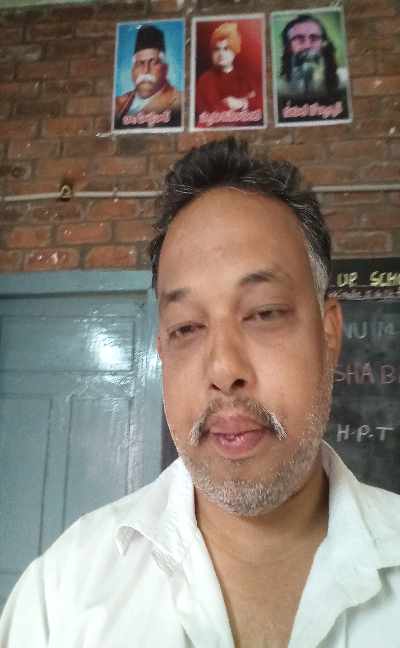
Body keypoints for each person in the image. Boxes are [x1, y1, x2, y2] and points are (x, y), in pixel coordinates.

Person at [1, 137, 400, 647]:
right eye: (187, 327)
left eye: (263, 313)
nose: (224, 369)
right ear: (162, 350)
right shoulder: (61, 598)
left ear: (328, 333)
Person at [114, 24, 183, 130]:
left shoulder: (179, 102)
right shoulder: (118, 103)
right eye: (140, 63)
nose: (146, 70)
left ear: (165, 68)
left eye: (153, 62)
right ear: (132, 70)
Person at [195, 22, 263, 128]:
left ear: (234, 50)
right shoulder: (205, 80)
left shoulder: (246, 78)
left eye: (226, 49)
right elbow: (206, 112)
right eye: (216, 49)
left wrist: (242, 103)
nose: (221, 54)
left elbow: (261, 103)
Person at [279, 13, 347, 99]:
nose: (307, 46)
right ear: (288, 47)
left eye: (314, 38)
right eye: (299, 39)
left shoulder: (344, 80)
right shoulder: (280, 89)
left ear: (324, 44)